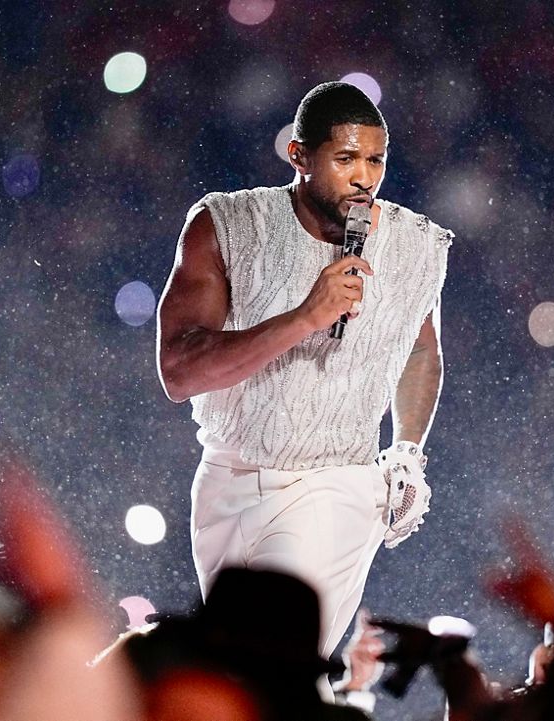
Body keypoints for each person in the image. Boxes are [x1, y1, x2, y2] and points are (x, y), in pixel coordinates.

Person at [157, 80, 452, 655]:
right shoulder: (228, 226)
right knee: (242, 673)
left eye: (375, 160)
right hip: (226, 480)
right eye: (345, 159)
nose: (364, 177)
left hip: (334, 484)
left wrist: (409, 453)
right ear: (298, 155)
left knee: (270, 655)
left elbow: (420, 349)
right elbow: (178, 372)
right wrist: (304, 318)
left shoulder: (414, 245)